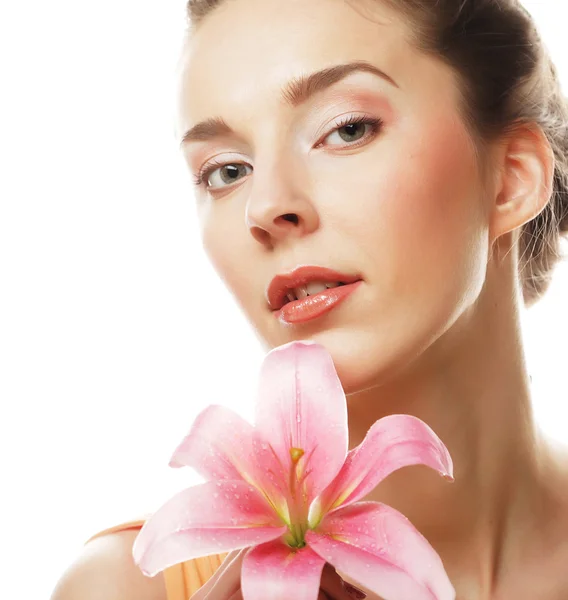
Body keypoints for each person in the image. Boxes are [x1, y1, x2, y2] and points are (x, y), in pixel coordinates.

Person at [50, 0, 568, 598]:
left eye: (347, 129)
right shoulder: (128, 586)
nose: (265, 207)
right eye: (225, 170)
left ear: (511, 176)